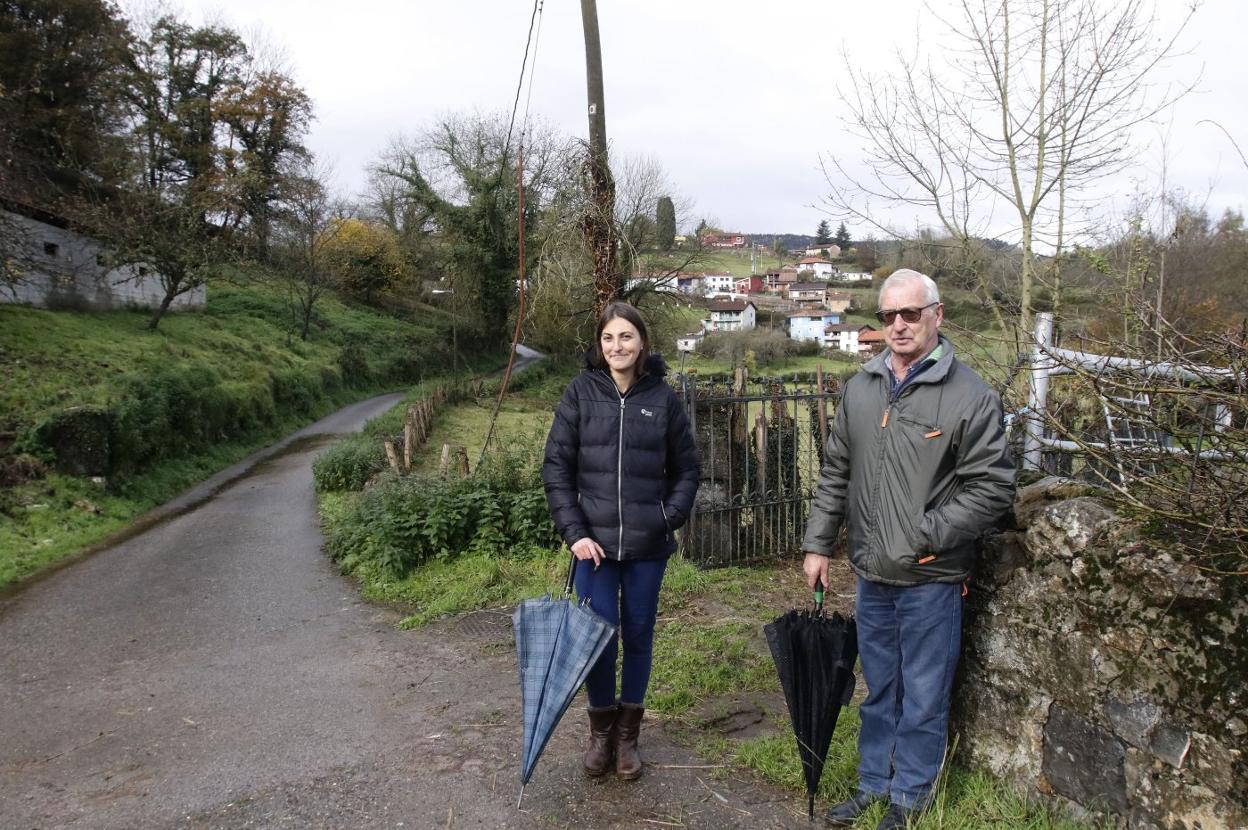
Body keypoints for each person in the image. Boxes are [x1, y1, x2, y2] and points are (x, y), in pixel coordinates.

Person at [802, 270, 1015, 830]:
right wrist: (818, 544)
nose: (898, 324)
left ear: (936, 316)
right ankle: (875, 785)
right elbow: (836, 472)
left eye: (910, 314)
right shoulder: (862, 387)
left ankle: (911, 799)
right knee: (879, 689)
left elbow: (992, 486)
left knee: (923, 695)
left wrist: (927, 534)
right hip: (872, 573)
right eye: (889, 314)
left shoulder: (969, 395)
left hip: (930, 576)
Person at [542, 301, 700, 781]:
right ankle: (600, 734)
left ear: (642, 342)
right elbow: (557, 468)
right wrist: (575, 533)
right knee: (597, 639)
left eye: (626, 337)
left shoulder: (663, 399)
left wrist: (666, 517)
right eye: (609, 338)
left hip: (647, 547)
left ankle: (628, 738)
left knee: (638, 636)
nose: (617, 346)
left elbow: (687, 469)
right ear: (600, 344)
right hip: (594, 550)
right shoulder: (580, 393)